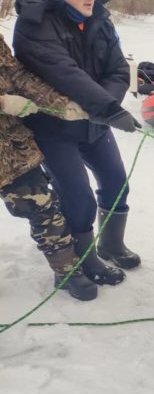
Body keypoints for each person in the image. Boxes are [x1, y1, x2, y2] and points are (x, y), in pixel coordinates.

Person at [13, 0, 142, 287]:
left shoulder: (100, 18)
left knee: (115, 182)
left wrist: (105, 108)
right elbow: (63, 73)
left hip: (94, 123)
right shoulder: (34, 23)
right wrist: (108, 108)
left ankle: (111, 243)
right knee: (78, 197)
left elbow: (118, 69)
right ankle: (83, 259)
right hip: (53, 127)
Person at [0, 36, 97, 301]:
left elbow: (19, 76)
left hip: (9, 146)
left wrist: (61, 104)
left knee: (41, 205)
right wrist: (2, 102)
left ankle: (67, 271)